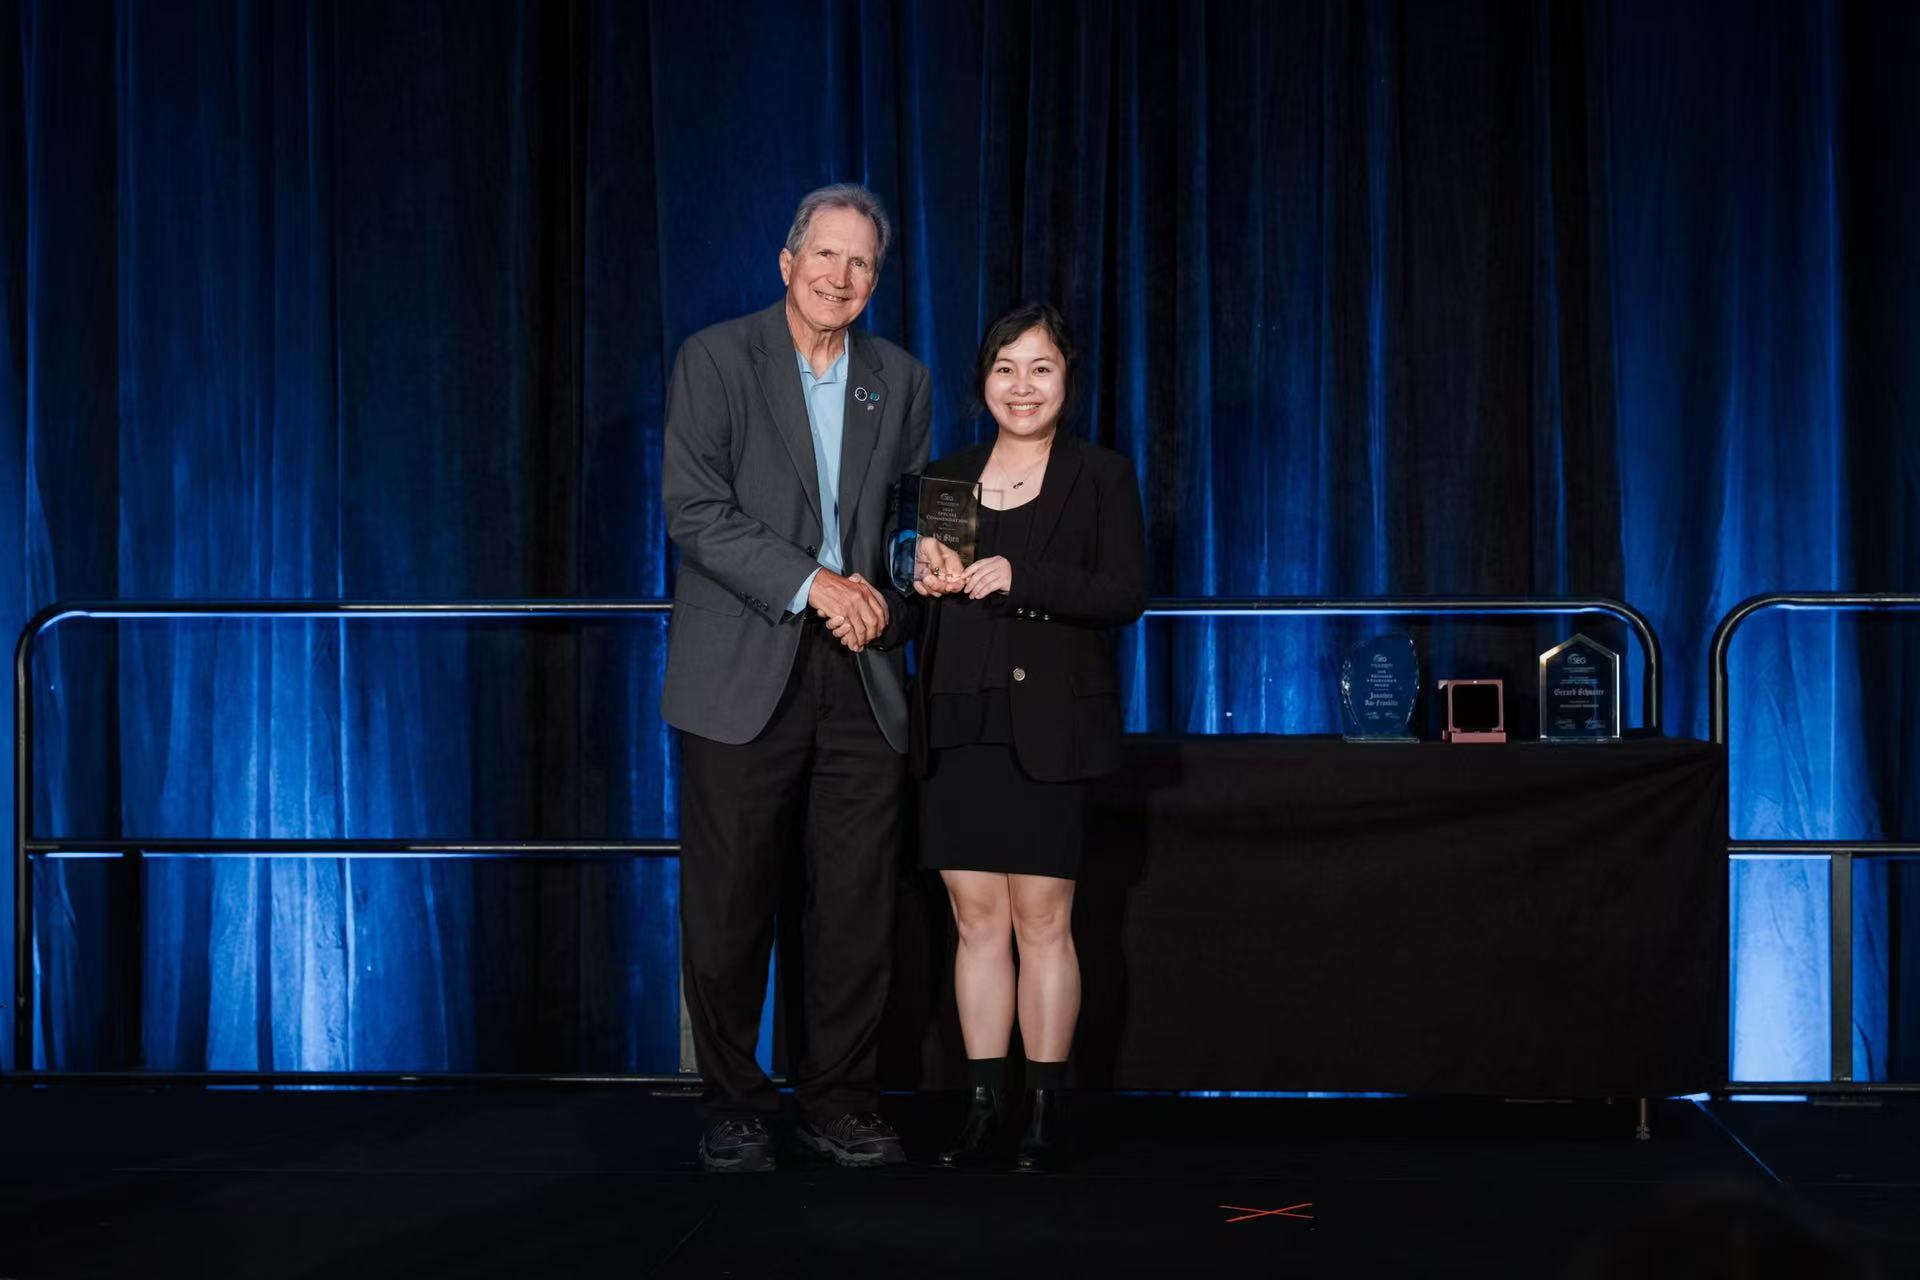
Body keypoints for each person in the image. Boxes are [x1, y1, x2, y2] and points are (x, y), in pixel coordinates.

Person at [660, 183, 931, 1172]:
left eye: (861, 262)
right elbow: (695, 510)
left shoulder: (901, 378)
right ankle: (734, 1103)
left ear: (876, 278)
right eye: (825, 255)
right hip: (743, 665)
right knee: (731, 905)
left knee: (855, 907)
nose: (840, 276)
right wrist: (817, 584)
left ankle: (840, 1100)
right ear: (787, 262)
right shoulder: (715, 359)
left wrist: (906, 579)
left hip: (862, 673)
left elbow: (907, 520)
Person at [891, 302, 1146, 1171]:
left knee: (1042, 918)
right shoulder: (946, 477)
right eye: (1006, 368)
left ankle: (1044, 1108)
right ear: (983, 382)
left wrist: (1022, 576)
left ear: (1067, 379)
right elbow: (917, 597)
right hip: (957, 717)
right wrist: (914, 577)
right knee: (974, 918)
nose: (1022, 386)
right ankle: (980, 1107)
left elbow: (1124, 594)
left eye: (1041, 367)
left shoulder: (1100, 474)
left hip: (1051, 727)